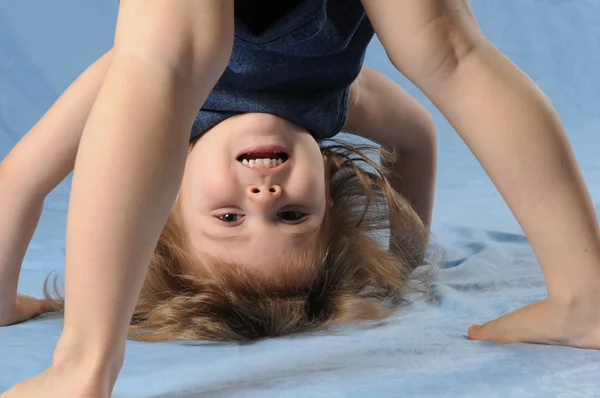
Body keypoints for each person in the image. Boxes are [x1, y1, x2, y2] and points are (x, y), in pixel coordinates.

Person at [1, 1, 599, 397]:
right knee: (448, 51)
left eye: (229, 217)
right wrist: (407, 256)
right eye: (292, 216)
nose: (263, 193)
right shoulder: (334, 105)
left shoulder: (143, 102)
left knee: (168, 57)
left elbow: (21, 178)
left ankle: (84, 364)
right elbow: (418, 140)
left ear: (157, 195)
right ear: (332, 201)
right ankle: (587, 294)